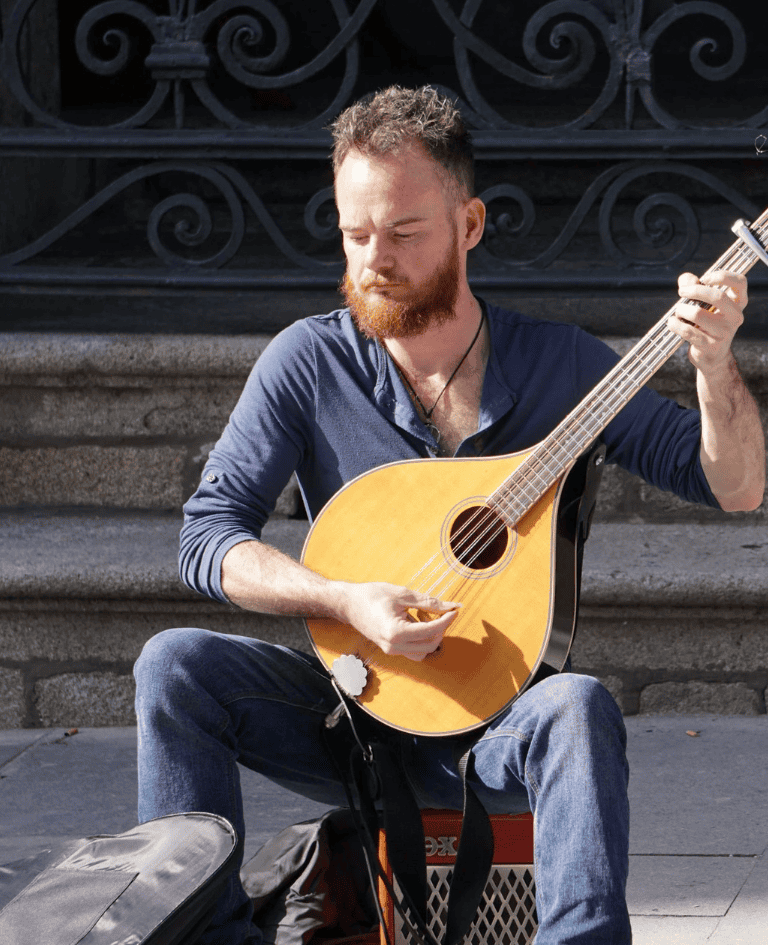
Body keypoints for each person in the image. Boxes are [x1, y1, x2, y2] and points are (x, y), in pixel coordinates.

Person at [134, 86, 765, 945]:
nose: (373, 260)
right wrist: (344, 599)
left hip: (501, 721)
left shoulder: (562, 364)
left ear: (469, 225)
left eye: (403, 233)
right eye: (356, 235)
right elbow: (209, 538)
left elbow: (735, 488)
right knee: (173, 665)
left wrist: (713, 367)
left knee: (578, 708)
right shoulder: (309, 362)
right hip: (348, 708)